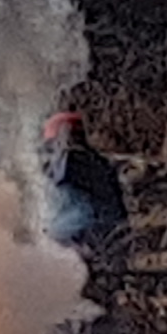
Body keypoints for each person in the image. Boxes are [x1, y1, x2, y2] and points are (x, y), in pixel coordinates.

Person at [41, 112, 133, 275]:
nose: (51, 150)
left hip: (95, 218)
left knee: (49, 235)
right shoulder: (89, 157)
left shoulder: (75, 158)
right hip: (101, 217)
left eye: (52, 144)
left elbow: (61, 183)